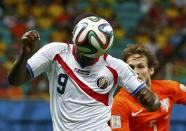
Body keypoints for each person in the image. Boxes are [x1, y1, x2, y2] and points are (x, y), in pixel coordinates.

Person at [8, 13, 160, 131]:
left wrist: (150, 99)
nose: (88, 57)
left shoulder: (116, 67)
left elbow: (154, 104)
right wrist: (24, 54)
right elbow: (15, 80)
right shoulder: (55, 52)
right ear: (75, 36)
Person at [111, 44, 186, 131]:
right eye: (130, 68)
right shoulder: (119, 104)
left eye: (140, 66)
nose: (135, 72)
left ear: (151, 70)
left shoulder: (169, 88)